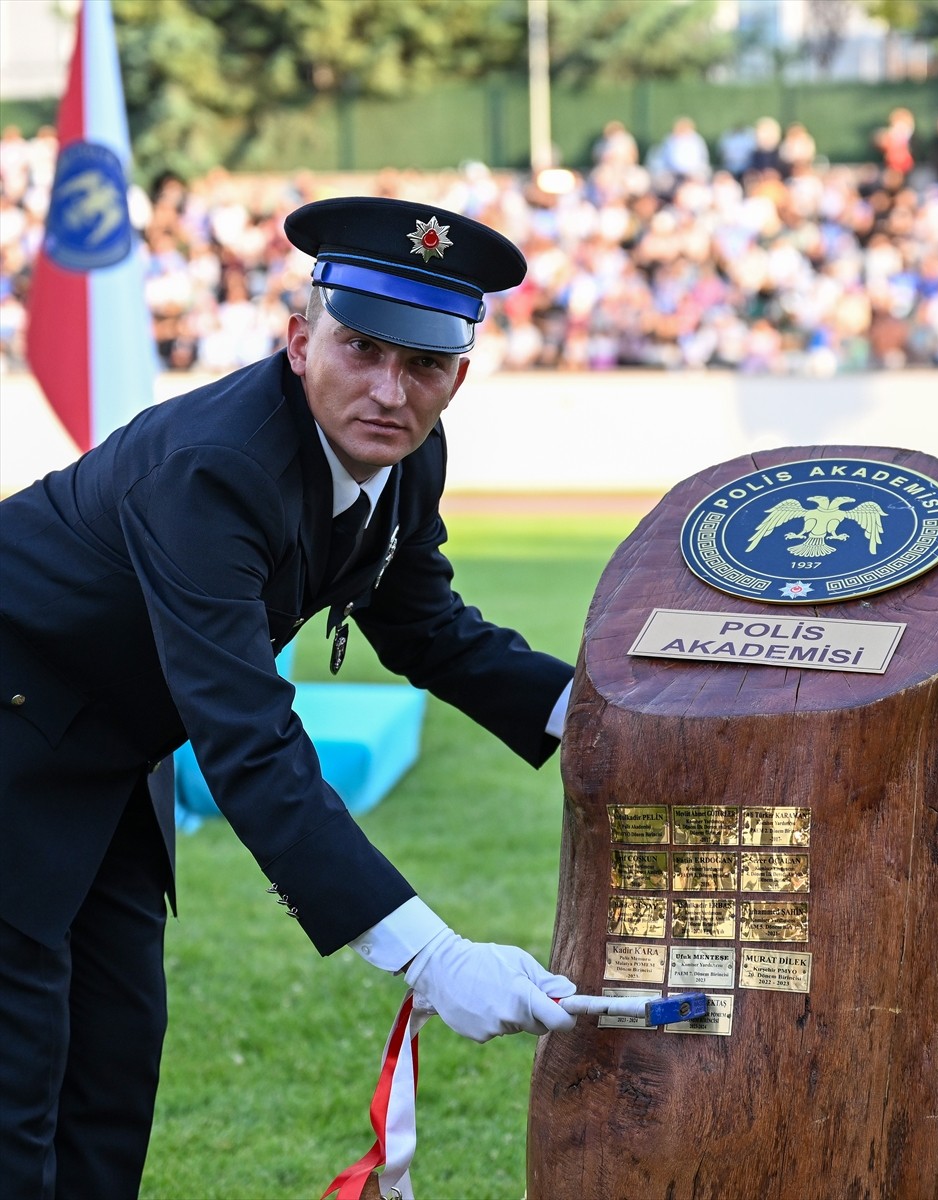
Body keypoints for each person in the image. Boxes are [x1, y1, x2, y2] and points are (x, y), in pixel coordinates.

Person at [0, 195, 579, 1200]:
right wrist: (431, 956)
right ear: (301, 341)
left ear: (458, 377)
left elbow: (425, 626)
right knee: (15, 1077)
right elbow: (249, 739)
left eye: (424, 365)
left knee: (113, 1065)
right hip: (14, 732)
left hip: (108, 749)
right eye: (362, 348)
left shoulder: (407, 454)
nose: (389, 390)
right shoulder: (216, 467)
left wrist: (602, 719)